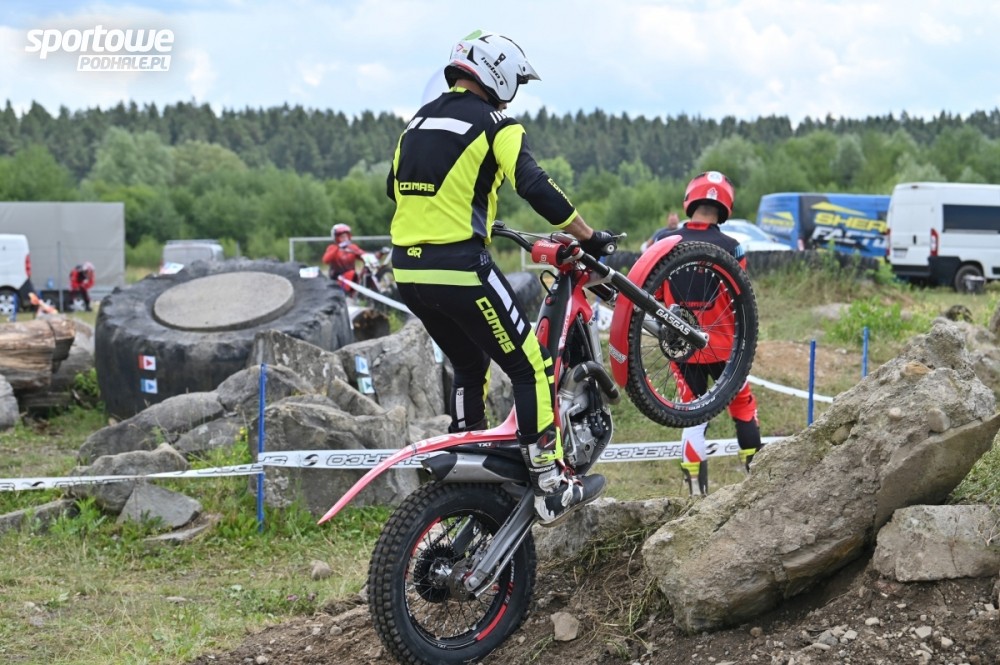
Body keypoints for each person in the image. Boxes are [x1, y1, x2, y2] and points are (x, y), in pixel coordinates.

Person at [386, 29, 616, 526]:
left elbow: (398, 190)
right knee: (531, 365)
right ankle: (550, 482)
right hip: (460, 268)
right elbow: (535, 185)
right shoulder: (498, 125)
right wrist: (586, 233)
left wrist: (474, 212)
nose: (513, 95)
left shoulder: (416, 124)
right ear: (498, 74)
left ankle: (467, 469)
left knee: (469, 364)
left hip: (407, 271)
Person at [652, 171, 763, 496]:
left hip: (682, 347)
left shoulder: (665, 242)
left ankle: (695, 495)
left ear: (691, 200)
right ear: (725, 207)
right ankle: (758, 487)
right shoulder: (733, 248)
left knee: (692, 417)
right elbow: (741, 297)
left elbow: (653, 295)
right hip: (728, 348)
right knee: (743, 408)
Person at [322, 223, 375, 292]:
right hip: (337, 279)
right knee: (351, 273)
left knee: (366, 272)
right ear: (336, 238)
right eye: (342, 237)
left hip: (352, 278)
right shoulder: (332, 248)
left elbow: (363, 255)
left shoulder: (352, 247)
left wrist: (373, 257)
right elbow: (325, 260)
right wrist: (338, 248)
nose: (345, 239)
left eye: (346, 237)